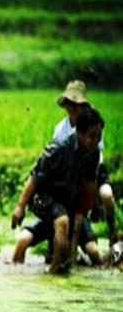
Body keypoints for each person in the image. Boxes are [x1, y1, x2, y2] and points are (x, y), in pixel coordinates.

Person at [11, 109, 104, 273]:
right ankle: (54, 273)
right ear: (80, 133)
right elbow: (35, 177)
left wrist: (96, 205)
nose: (96, 140)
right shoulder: (59, 147)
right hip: (41, 197)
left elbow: (89, 181)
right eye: (92, 136)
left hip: (65, 201)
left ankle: (59, 268)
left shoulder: (93, 153)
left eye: (99, 136)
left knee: (65, 243)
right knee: (62, 221)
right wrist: (20, 207)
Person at [53, 80, 117, 247]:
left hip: (94, 171)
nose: (73, 108)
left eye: (77, 104)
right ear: (65, 105)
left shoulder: (93, 125)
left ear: (83, 106)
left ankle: (112, 232)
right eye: (69, 103)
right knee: (72, 210)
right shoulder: (60, 129)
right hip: (72, 175)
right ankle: (65, 248)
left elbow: (93, 159)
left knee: (107, 196)